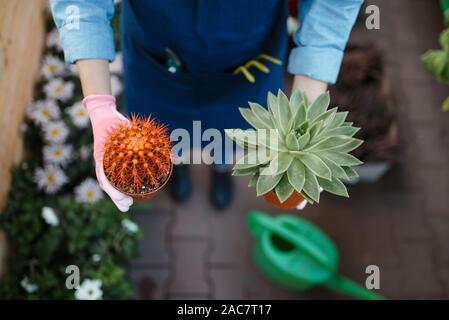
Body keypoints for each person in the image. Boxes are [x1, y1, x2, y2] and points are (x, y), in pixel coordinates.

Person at [50, 0, 363, 212]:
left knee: (236, 136)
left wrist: (303, 116)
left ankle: (221, 166)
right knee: (165, 139)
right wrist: (100, 105)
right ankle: (178, 167)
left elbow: (331, 4)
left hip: (252, 60)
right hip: (155, 59)